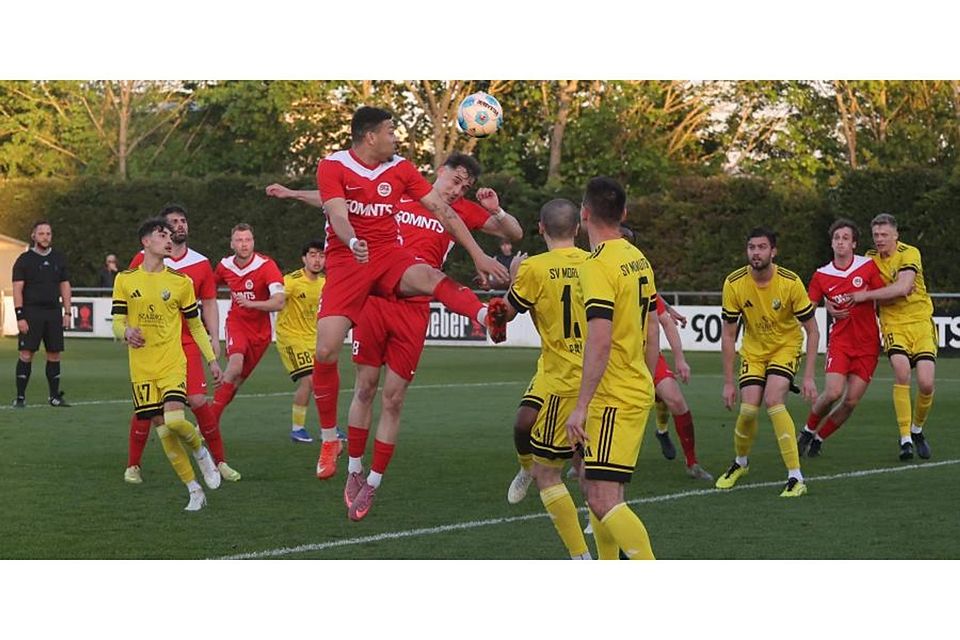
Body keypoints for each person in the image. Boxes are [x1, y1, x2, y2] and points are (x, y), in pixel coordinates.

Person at [268, 151, 522, 520]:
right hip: (374, 297)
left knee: (394, 398)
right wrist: (293, 194)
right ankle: (354, 469)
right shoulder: (401, 188)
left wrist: (497, 211)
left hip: (415, 304)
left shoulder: (461, 211)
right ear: (440, 171)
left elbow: (513, 232)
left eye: (465, 186)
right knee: (365, 387)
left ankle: (372, 481)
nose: (457, 190)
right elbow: (334, 200)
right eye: (455, 181)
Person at [307, 106, 509, 484]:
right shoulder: (331, 165)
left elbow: (443, 211)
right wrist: (351, 240)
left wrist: (479, 254)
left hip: (388, 256)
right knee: (325, 350)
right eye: (390, 131)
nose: (395, 138)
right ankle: (330, 438)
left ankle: (485, 317)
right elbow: (335, 212)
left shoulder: (400, 168)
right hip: (348, 260)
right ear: (370, 136)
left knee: (430, 276)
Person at [564, 176, 660, 560]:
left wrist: (582, 405)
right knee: (606, 493)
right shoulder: (638, 258)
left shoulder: (597, 265)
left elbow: (600, 340)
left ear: (584, 214)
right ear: (623, 213)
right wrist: (647, 379)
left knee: (601, 499)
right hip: (633, 387)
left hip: (614, 397)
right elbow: (652, 328)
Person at [124, 204, 240, 484]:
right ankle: (133, 465)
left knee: (199, 400)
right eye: (173, 221)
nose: (179, 225)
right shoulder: (141, 260)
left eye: (183, 221)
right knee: (148, 410)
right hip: (151, 345)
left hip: (186, 342)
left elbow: (209, 303)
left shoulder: (200, 263)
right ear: (160, 231)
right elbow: (128, 298)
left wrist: (213, 338)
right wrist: (127, 328)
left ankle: (219, 461)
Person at [112, 218, 223, 511]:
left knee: (174, 421)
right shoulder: (125, 279)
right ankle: (193, 489)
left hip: (173, 362)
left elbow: (196, 327)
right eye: (162, 235)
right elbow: (117, 321)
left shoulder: (180, 282)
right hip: (141, 369)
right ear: (145, 242)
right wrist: (125, 332)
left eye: (170, 236)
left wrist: (212, 359)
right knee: (162, 430)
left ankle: (201, 452)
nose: (169, 239)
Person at [502, 198, 592, 558]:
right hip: (559, 368)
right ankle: (525, 469)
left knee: (569, 462)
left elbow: (503, 318)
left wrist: (512, 278)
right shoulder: (596, 262)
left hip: (566, 377)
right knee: (523, 422)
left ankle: (583, 549)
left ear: (540, 228)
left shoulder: (532, 268)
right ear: (578, 228)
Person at [716, 227, 819, 497]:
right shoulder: (734, 283)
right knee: (748, 410)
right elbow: (728, 335)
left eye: (762, 247)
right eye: (752, 247)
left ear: (773, 251)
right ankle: (740, 463)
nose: (756, 252)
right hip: (753, 350)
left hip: (785, 347)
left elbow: (813, 330)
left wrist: (808, 376)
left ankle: (796, 477)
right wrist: (728, 383)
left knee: (773, 400)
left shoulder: (790, 282)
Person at [619, 224, 712, 481]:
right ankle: (581, 459)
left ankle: (692, 463)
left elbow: (665, 320)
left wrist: (680, 359)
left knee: (677, 401)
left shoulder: (639, 278)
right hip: (615, 357)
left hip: (646, 354)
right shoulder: (602, 274)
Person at [847, 213, 936, 461]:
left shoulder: (910, 253)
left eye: (884, 234)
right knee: (902, 372)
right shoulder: (869, 259)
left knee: (927, 383)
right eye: (876, 235)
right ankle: (905, 438)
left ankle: (917, 430)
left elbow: (904, 286)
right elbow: (852, 284)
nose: (879, 239)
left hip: (920, 322)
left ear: (896, 235)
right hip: (893, 323)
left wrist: (869, 295)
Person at [798, 219, 885, 457]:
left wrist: (864, 296)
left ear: (854, 243)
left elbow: (884, 295)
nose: (841, 242)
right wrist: (826, 306)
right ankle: (807, 430)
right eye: (837, 238)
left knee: (850, 401)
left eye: (846, 238)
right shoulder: (821, 275)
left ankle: (819, 438)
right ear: (832, 243)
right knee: (833, 392)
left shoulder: (867, 266)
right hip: (841, 342)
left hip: (868, 345)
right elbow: (808, 306)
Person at [211, 223, 285, 424]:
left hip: (260, 333)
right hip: (237, 323)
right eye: (239, 240)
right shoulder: (225, 266)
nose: (244, 244)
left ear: (253, 242)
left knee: (236, 383)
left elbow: (279, 302)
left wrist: (253, 303)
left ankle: (211, 417)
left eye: (248, 240)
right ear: (232, 244)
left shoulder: (266, 265)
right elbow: (208, 287)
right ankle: (207, 425)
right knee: (234, 367)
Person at [12, 220, 72, 408]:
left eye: (48, 233)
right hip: (31, 312)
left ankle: (54, 396)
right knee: (26, 353)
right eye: (41, 234)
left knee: (54, 354)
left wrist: (67, 312)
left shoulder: (58, 258)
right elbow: (17, 289)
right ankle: (20, 398)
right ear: (33, 236)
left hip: (53, 312)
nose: (45, 237)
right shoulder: (24, 260)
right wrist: (20, 316)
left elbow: (65, 285)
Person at [275, 239, 327, 443]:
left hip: (314, 339)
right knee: (310, 380)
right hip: (291, 338)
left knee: (324, 383)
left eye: (321, 255)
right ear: (304, 258)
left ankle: (327, 429)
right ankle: (297, 429)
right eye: (313, 255)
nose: (317, 260)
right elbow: (276, 297)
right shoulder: (292, 280)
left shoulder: (325, 283)